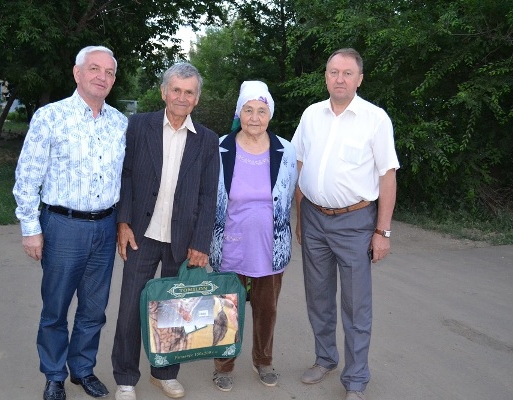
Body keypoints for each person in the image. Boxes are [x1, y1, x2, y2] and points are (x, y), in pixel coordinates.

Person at [13, 45, 127, 400]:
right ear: (77, 73)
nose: (102, 77)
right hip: (62, 226)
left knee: (94, 308)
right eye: (94, 68)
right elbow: (28, 175)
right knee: (56, 307)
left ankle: (82, 369)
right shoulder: (50, 117)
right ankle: (53, 375)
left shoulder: (120, 123)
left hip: (105, 227)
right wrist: (31, 228)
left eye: (109, 72)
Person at [291, 48, 400, 400]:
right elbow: (298, 166)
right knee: (318, 297)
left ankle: (355, 380)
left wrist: (382, 231)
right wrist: (298, 216)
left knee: (356, 305)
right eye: (334, 72)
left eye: (347, 73)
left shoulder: (375, 119)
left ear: (359, 79)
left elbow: (387, 176)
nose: (340, 78)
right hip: (313, 219)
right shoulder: (311, 115)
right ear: (325, 76)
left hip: (355, 222)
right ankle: (325, 358)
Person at [110, 62, 220, 400]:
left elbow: (207, 195)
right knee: (130, 307)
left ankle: (165, 373)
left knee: (175, 311)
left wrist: (202, 242)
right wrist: (123, 222)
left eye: (189, 92)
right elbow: (125, 175)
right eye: (176, 90)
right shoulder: (138, 126)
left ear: (196, 99)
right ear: (164, 92)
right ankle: (126, 377)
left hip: (183, 242)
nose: (182, 97)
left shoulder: (207, 141)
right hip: (141, 235)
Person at [209, 81, 298, 392]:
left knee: (266, 309)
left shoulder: (285, 150)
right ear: (239, 113)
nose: (255, 117)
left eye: (262, 111)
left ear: (270, 114)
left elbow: (293, 191)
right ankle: (224, 365)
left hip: (270, 247)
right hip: (229, 244)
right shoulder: (220, 147)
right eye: (249, 110)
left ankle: (264, 360)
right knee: (226, 308)